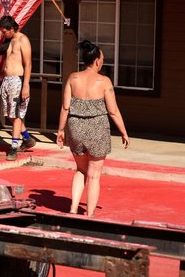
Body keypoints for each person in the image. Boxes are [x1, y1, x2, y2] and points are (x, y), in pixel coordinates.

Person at [56, 40, 130, 217]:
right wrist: (123, 132)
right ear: (97, 61)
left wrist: (60, 130)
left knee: (81, 170)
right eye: (102, 58)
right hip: (97, 127)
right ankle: (89, 215)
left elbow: (65, 107)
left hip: (76, 127)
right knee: (95, 175)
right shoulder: (104, 81)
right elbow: (113, 111)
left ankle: (73, 209)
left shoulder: (73, 78)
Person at [0, 15, 37, 161]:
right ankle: (27, 138)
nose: (3, 34)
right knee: (9, 114)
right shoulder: (9, 40)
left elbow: (28, 64)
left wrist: (25, 85)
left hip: (17, 81)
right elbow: (9, 59)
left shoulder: (22, 40)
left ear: (11, 28)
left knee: (16, 115)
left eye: (4, 31)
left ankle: (14, 147)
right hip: (7, 80)